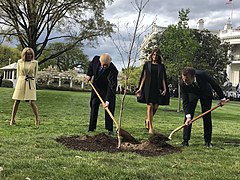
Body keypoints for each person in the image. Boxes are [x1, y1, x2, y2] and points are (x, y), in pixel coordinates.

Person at [180, 67, 228, 148]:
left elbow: (214, 85)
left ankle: (208, 141)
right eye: (184, 80)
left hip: (205, 93)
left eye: (187, 80)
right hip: (193, 93)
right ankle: (185, 140)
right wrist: (188, 116)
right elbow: (185, 101)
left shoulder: (202, 74)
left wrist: (223, 98)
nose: (185, 82)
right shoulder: (182, 83)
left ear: (193, 76)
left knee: (207, 116)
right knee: (188, 116)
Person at [136, 48, 170, 134]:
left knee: (155, 107)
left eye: (156, 55)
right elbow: (143, 77)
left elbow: (163, 78)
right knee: (150, 106)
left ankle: (148, 119)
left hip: (157, 87)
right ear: (151, 55)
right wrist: (140, 88)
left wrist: (165, 89)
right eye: (153, 55)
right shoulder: (147, 64)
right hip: (148, 87)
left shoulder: (161, 66)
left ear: (159, 57)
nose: (155, 57)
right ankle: (151, 127)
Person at [85, 53, 118, 135]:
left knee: (109, 108)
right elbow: (91, 66)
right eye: (103, 65)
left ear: (110, 63)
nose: (104, 67)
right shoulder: (95, 59)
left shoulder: (113, 71)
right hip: (96, 88)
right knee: (93, 105)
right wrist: (89, 75)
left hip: (107, 90)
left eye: (106, 65)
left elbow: (111, 87)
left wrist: (107, 100)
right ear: (100, 61)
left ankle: (110, 129)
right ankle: (91, 127)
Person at [10, 47, 39, 127]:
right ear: (24, 54)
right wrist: (18, 84)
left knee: (32, 102)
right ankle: (12, 119)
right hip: (21, 82)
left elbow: (35, 75)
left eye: (30, 54)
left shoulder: (35, 63)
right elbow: (19, 74)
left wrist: (34, 84)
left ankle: (37, 119)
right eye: (27, 54)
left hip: (30, 83)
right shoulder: (19, 62)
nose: (29, 56)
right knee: (17, 101)